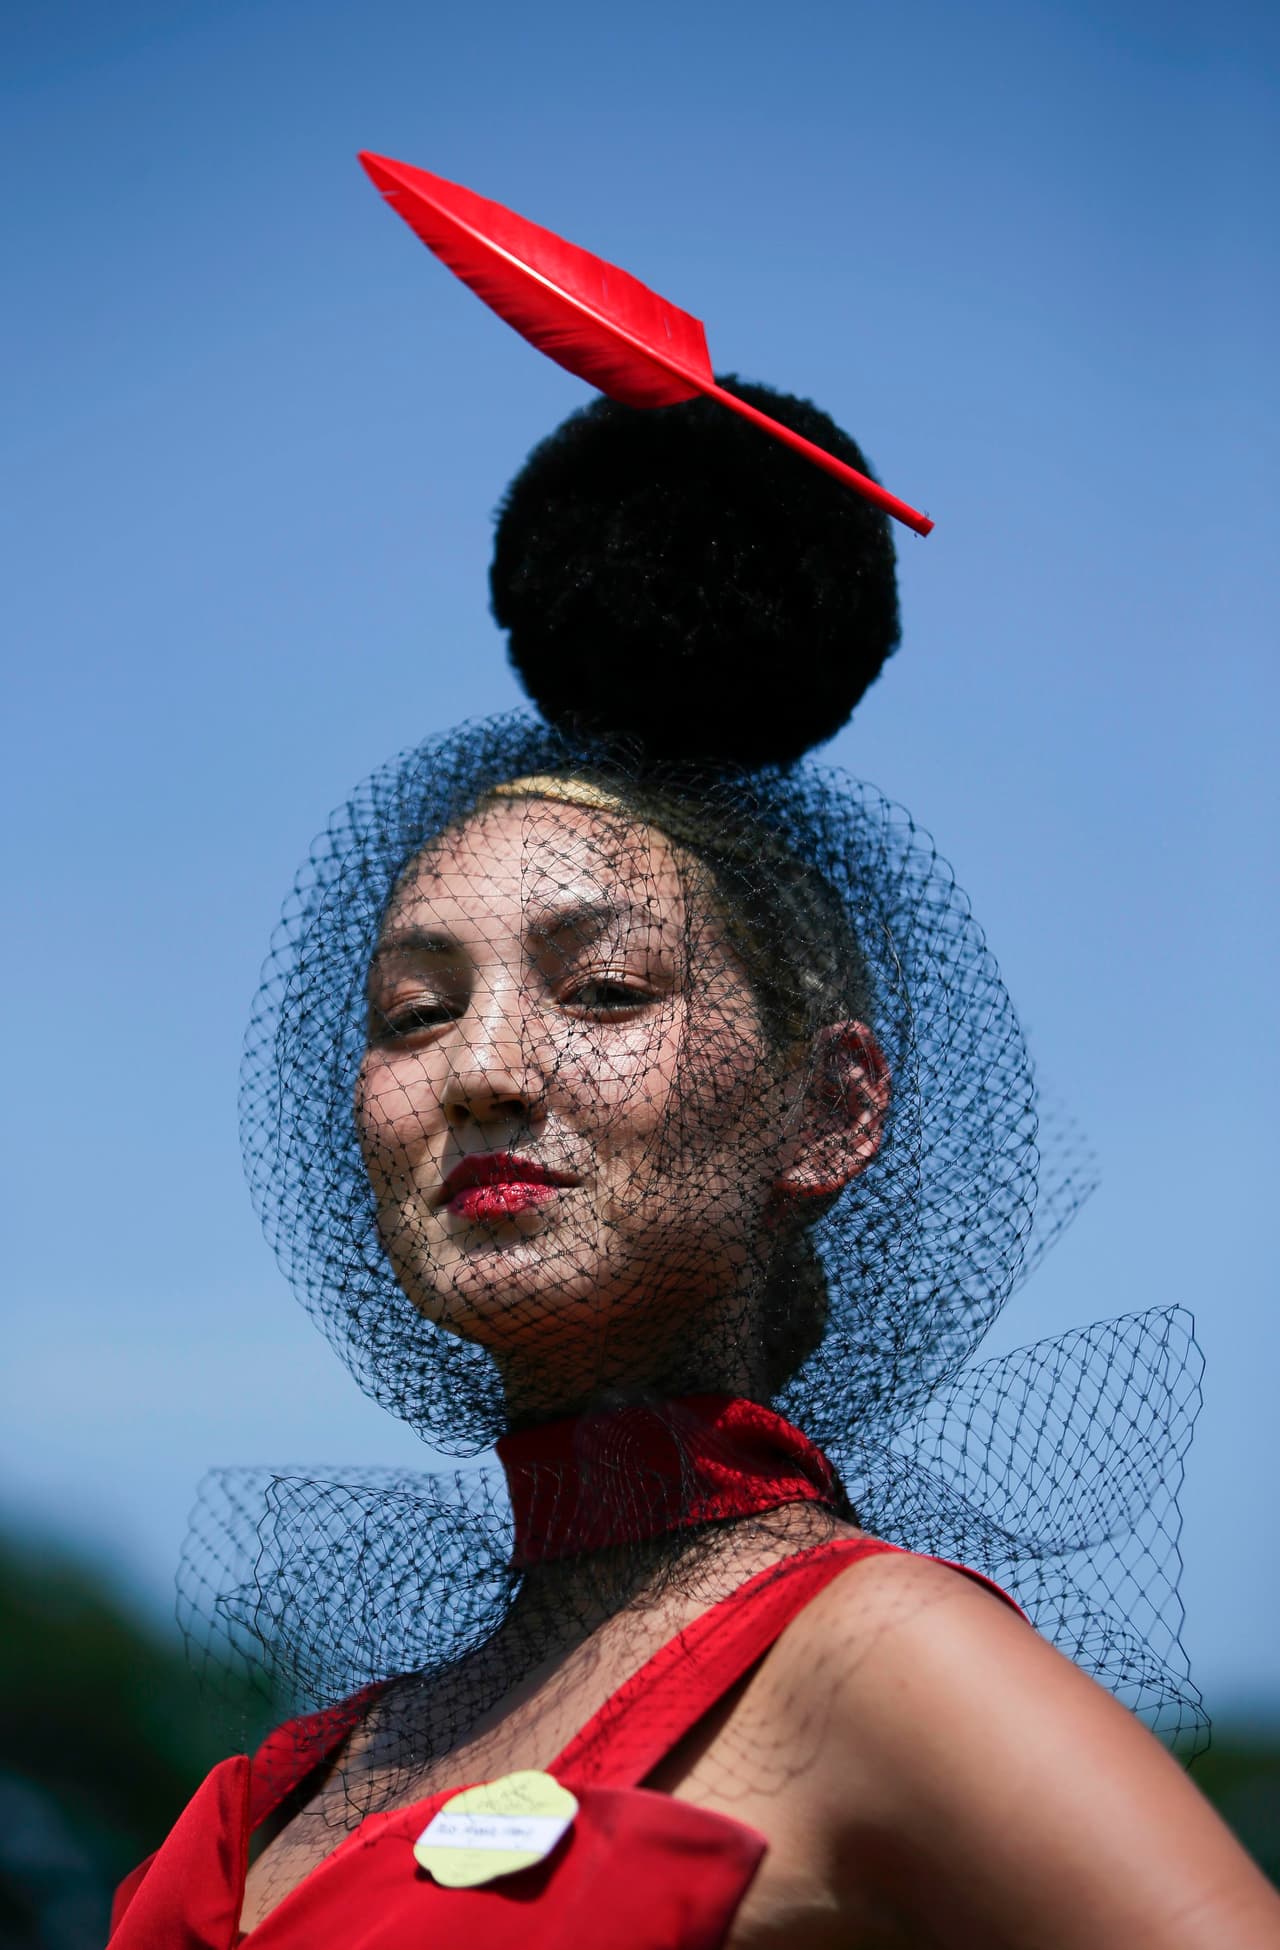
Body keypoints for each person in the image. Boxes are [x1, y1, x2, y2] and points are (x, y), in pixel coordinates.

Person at [107, 301, 1280, 1946]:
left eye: (601, 992)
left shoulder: (874, 1664)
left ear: (832, 1105)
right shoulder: (285, 1791)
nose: (483, 1069)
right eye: (413, 1010)